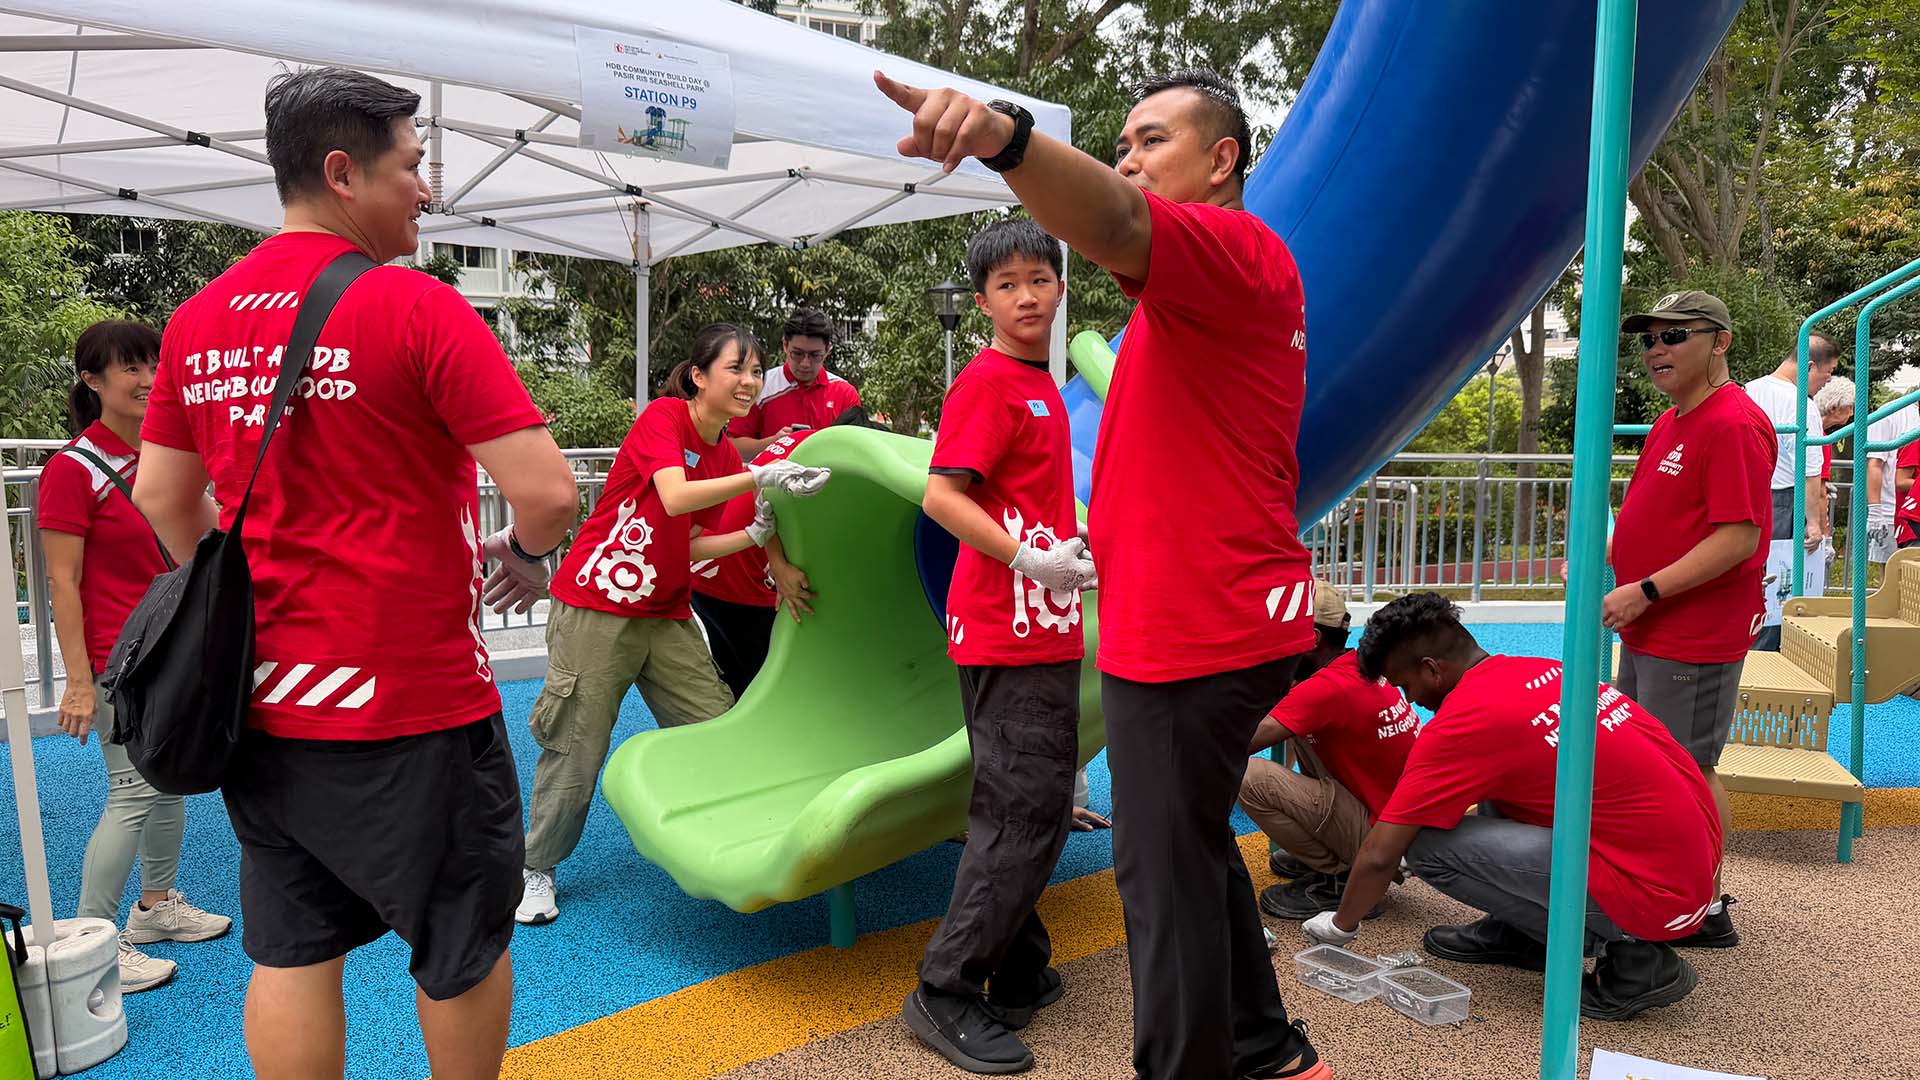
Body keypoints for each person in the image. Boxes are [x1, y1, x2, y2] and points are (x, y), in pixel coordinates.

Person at [878, 66, 1330, 1080]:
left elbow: (1119, 220)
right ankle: (1259, 1043)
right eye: (1121, 141)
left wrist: (1006, 141)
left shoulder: (1230, 248)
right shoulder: (1176, 311)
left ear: (1222, 162)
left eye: (1152, 138)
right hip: (1163, 620)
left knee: (1160, 880)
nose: (1129, 157)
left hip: (1188, 633)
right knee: (1187, 847)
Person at [132, 67, 582, 1080]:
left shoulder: (199, 319)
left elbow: (165, 495)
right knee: (460, 943)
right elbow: (548, 493)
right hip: (412, 703)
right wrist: (518, 555)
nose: (426, 191)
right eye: (413, 167)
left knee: (293, 948)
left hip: (261, 701)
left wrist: (239, 598)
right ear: (344, 172)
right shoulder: (414, 308)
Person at [518, 325, 831, 926]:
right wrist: (761, 476)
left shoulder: (718, 453)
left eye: (756, 371)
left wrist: (757, 533)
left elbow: (690, 543)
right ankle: (537, 866)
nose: (748, 381)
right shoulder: (664, 417)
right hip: (597, 605)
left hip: (665, 612)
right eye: (735, 368)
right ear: (698, 376)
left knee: (719, 725)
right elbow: (675, 497)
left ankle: (742, 844)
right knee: (578, 742)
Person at [1304, 594, 1721, 1021]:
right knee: (1498, 785)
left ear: (1431, 668)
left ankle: (1636, 959)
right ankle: (1527, 933)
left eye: (1405, 685)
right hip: (1691, 873)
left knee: (1425, 846)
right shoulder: (1541, 669)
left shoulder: (1465, 721)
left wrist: (1340, 925)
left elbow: (1381, 853)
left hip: (1656, 901)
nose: (1409, 700)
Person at [902, 219, 1096, 1075]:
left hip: (1035, 624)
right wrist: (1028, 558)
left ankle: (1020, 965)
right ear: (981, 301)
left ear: (1059, 289)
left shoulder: (1038, 384)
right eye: (1007, 284)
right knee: (1024, 813)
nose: (1026, 296)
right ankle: (945, 990)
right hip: (1007, 629)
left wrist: (1065, 550)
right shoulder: (988, 384)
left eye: (1039, 280)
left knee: (1030, 807)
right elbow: (943, 496)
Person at [36, 320, 231, 995]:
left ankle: (155, 907)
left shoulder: (166, 457)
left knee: (168, 780)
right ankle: (93, 938)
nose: (149, 379)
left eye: (156, 364)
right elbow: (61, 581)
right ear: (92, 381)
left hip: (169, 649)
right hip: (119, 662)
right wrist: (78, 684)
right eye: (131, 367)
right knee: (133, 791)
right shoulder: (72, 468)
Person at [1605, 290, 1771, 951]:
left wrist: (1645, 587)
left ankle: (1704, 906)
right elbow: (1660, 510)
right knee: (1655, 764)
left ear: (1720, 342)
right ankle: (1675, 890)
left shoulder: (1732, 423)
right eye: (1649, 340)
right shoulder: (1676, 419)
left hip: (1690, 633)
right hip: (1650, 625)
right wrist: (1616, 559)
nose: (1656, 351)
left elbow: (1738, 538)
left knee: (1687, 770)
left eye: (1675, 337)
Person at [1238, 581, 1417, 920]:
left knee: (1249, 778)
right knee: (1293, 721)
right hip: (1397, 826)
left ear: (1313, 638)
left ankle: (1343, 876)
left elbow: (1238, 743)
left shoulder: (1326, 689)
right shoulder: (1351, 666)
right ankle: (1333, 851)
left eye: (1281, 636)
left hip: (1386, 843)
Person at [690, 406, 883, 698]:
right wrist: (778, 564)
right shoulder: (821, 458)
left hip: (707, 566)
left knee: (737, 674)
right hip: (736, 571)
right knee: (763, 681)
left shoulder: (803, 440)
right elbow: (765, 493)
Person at [1745, 335, 1836, 650]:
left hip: (1746, 496)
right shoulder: (1803, 405)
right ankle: (1766, 663)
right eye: (1828, 372)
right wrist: (1814, 523)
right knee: (1778, 591)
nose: (1828, 381)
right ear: (1810, 366)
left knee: (1747, 582)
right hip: (1782, 500)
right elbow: (1810, 474)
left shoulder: (1748, 390)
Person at [728, 307, 862, 458]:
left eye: (815, 355)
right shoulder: (761, 386)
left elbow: (857, 450)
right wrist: (773, 443)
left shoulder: (844, 393)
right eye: (797, 354)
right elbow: (733, 445)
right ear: (785, 345)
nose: (805, 363)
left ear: (828, 349)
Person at [1806, 375, 1855, 594]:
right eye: (1850, 407)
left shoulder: (1810, 429)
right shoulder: (1820, 439)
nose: (1852, 414)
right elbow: (1818, 491)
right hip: (1807, 523)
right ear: (1835, 408)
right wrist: (1825, 535)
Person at [1865, 386, 1920, 564]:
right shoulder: (1894, 414)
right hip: (1892, 511)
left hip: (1909, 510)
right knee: (1891, 573)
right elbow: (1875, 463)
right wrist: (1875, 511)